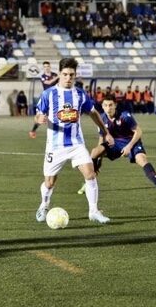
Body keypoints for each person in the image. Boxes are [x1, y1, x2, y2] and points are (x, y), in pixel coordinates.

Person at [34, 57, 113, 224]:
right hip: (55, 146)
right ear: (60, 74)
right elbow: (38, 114)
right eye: (65, 74)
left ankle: (93, 211)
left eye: (71, 75)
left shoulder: (80, 94)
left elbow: (93, 113)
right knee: (49, 182)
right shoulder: (49, 94)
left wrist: (105, 132)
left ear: (75, 75)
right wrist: (39, 118)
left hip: (76, 144)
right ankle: (44, 205)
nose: (68, 78)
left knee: (90, 174)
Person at [77, 95, 156, 197]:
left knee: (142, 159)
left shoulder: (125, 116)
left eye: (111, 105)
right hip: (115, 144)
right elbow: (102, 138)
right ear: (102, 106)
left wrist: (129, 146)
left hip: (131, 142)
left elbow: (138, 131)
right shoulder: (101, 119)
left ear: (115, 105)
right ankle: (88, 183)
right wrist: (99, 158)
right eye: (105, 105)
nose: (108, 108)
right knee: (94, 152)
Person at [29, 61, 58, 138]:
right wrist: (58, 77)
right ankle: (33, 131)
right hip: (46, 97)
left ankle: (58, 132)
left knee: (56, 115)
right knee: (40, 116)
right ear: (43, 68)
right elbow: (48, 83)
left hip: (55, 97)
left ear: (50, 67)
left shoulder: (54, 74)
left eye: (47, 66)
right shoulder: (43, 76)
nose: (46, 68)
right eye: (45, 67)